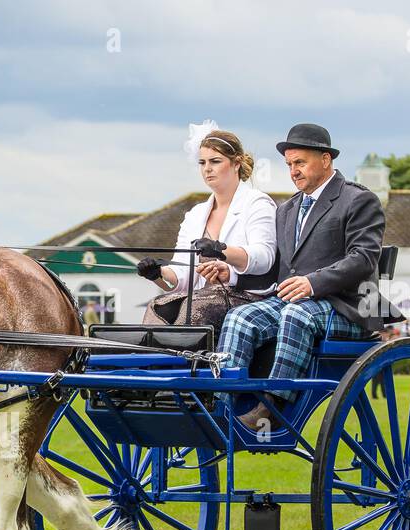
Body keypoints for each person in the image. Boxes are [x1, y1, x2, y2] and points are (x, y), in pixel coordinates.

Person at [218, 123, 391, 429]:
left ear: (325, 160)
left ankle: (272, 407)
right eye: (289, 165)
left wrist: (312, 283)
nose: (293, 171)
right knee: (239, 317)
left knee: (297, 314)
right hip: (296, 303)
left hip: (348, 307)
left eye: (300, 163)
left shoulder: (357, 200)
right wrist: (231, 271)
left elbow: (363, 259)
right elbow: (277, 270)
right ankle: (223, 403)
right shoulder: (286, 210)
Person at [136, 124, 276, 331]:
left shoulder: (257, 203)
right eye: (202, 162)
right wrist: (158, 274)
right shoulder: (195, 215)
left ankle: (187, 363)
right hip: (203, 297)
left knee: (194, 309)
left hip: (248, 298)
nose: (207, 169)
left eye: (215, 161)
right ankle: (150, 363)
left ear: (236, 163)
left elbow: (264, 257)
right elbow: (182, 277)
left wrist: (221, 250)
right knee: (157, 307)